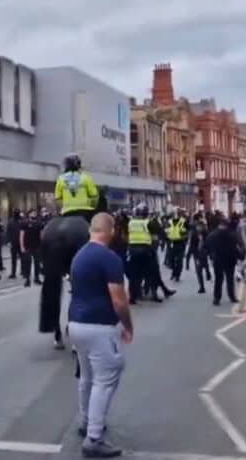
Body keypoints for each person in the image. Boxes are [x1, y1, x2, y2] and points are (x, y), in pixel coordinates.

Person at [68, 213, 133, 458]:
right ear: (110, 230)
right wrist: (128, 325)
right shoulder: (109, 258)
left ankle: (86, 421)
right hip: (100, 327)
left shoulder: (80, 255)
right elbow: (119, 300)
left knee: (86, 377)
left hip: (76, 324)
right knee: (106, 379)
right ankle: (93, 437)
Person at [201, 217, 240, 306]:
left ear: (219, 225)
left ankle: (217, 298)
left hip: (218, 260)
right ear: (226, 225)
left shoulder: (212, 235)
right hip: (230, 260)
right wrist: (239, 256)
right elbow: (236, 247)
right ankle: (232, 296)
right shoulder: (232, 234)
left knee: (218, 279)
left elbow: (205, 247)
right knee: (230, 279)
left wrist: (209, 256)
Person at [126, 204, 161, 304]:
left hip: (133, 250)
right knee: (152, 272)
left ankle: (132, 297)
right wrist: (154, 248)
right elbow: (155, 236)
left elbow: (128, 236)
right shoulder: (148, 223)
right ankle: (154, 295)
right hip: (146, 250)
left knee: (134, 275)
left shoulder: (131, 223)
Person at [55, 153, 99, 223]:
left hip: (67, 212)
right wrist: (92, 207)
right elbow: (94, 197)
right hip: (85, 212)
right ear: (78, 164)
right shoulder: (86, 177)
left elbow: (58, 199)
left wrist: (63, 208)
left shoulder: (61, 179)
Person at [186, 212, 212, 294]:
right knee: (199, 270)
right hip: (197, 254)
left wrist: (210, 253)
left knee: (205, 264)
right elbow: (191, 246)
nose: (198, 228)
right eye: (197, 227)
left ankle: (208, 272)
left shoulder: (206, 233)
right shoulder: (194, 234)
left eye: (200, 227)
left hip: (204, 252)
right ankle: (202, 287)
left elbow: (209, 243)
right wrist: (188, 258)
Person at [20, 209, 43, 287]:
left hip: (37, 246)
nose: (34, 214)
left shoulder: (39, 223)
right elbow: (21, 235)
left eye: (35, 213)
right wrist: (22, 246)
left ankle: (36, 278)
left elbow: (41, 235)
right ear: (29, 214)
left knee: (37, 263)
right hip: (27, 246)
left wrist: (42, 245)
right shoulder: (24, 223)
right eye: (32, 213)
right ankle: (27, 279)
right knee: (28, 263)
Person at [166, 209, 189, 281]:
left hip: (180, 243)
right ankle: (174, 272)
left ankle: (177, 275)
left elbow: (188, 231)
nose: (176, 215)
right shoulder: (169, 222)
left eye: (177, 214)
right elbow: (166, 231)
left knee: (179, 261)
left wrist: (185, 238)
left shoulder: (183, 221)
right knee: (171, 260)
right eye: (174, 214)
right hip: (172, 243)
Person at [6, 210, 23, 279]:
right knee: (17, 258)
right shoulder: (17, 221)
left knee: (17, 258)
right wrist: (8, 241)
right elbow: (8, 232)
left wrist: (8, 241)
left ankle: (16, 272)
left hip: (17, 242)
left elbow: (8, 232)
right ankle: (16, 272)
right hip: (15, 242)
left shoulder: (19, 221)